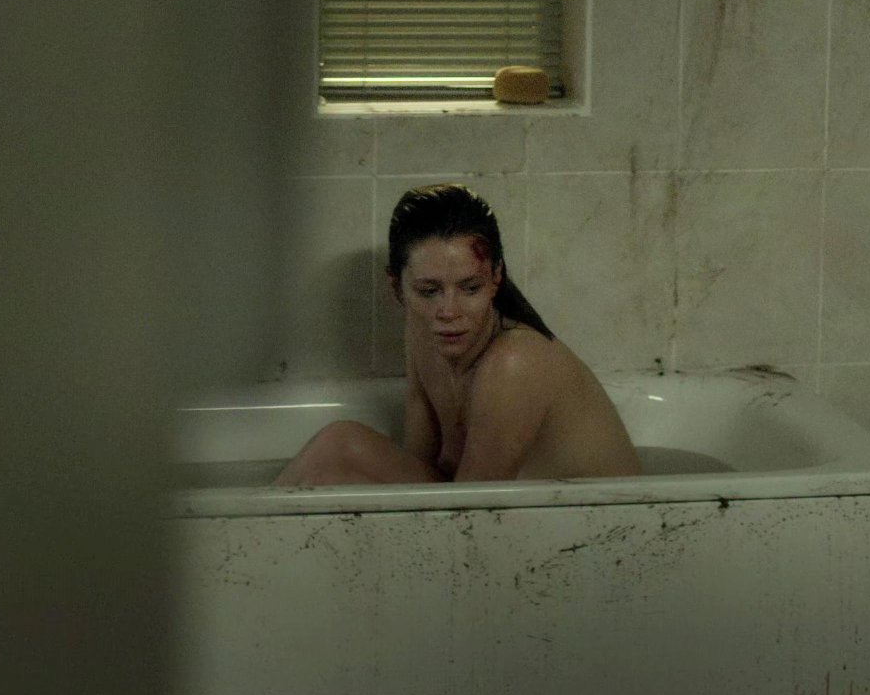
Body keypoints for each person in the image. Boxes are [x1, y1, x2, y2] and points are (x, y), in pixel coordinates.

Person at [274, 184, 641, 486]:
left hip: (593, 536)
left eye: (470, 288)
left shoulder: (515, 364)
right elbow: (419, 468)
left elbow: (467, 517)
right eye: (429, 291)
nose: (449, 312)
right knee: (336, 447)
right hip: (498, 517)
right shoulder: (424, 333)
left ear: (495, 278)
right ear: (397, 287)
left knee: (341, 448)